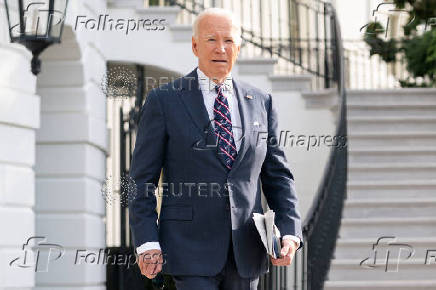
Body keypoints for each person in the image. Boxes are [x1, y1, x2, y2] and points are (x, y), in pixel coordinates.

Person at [128, 7, 303, 290]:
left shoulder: (262, 102)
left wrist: (290, 232)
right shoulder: (164, 101)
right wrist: (147, 241)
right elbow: (141, 181)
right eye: (211, 40)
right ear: (195, 45)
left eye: (229, 40)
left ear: (239, 47)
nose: (221, 48)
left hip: (246, 253)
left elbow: (278, 176)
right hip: (187, 252)